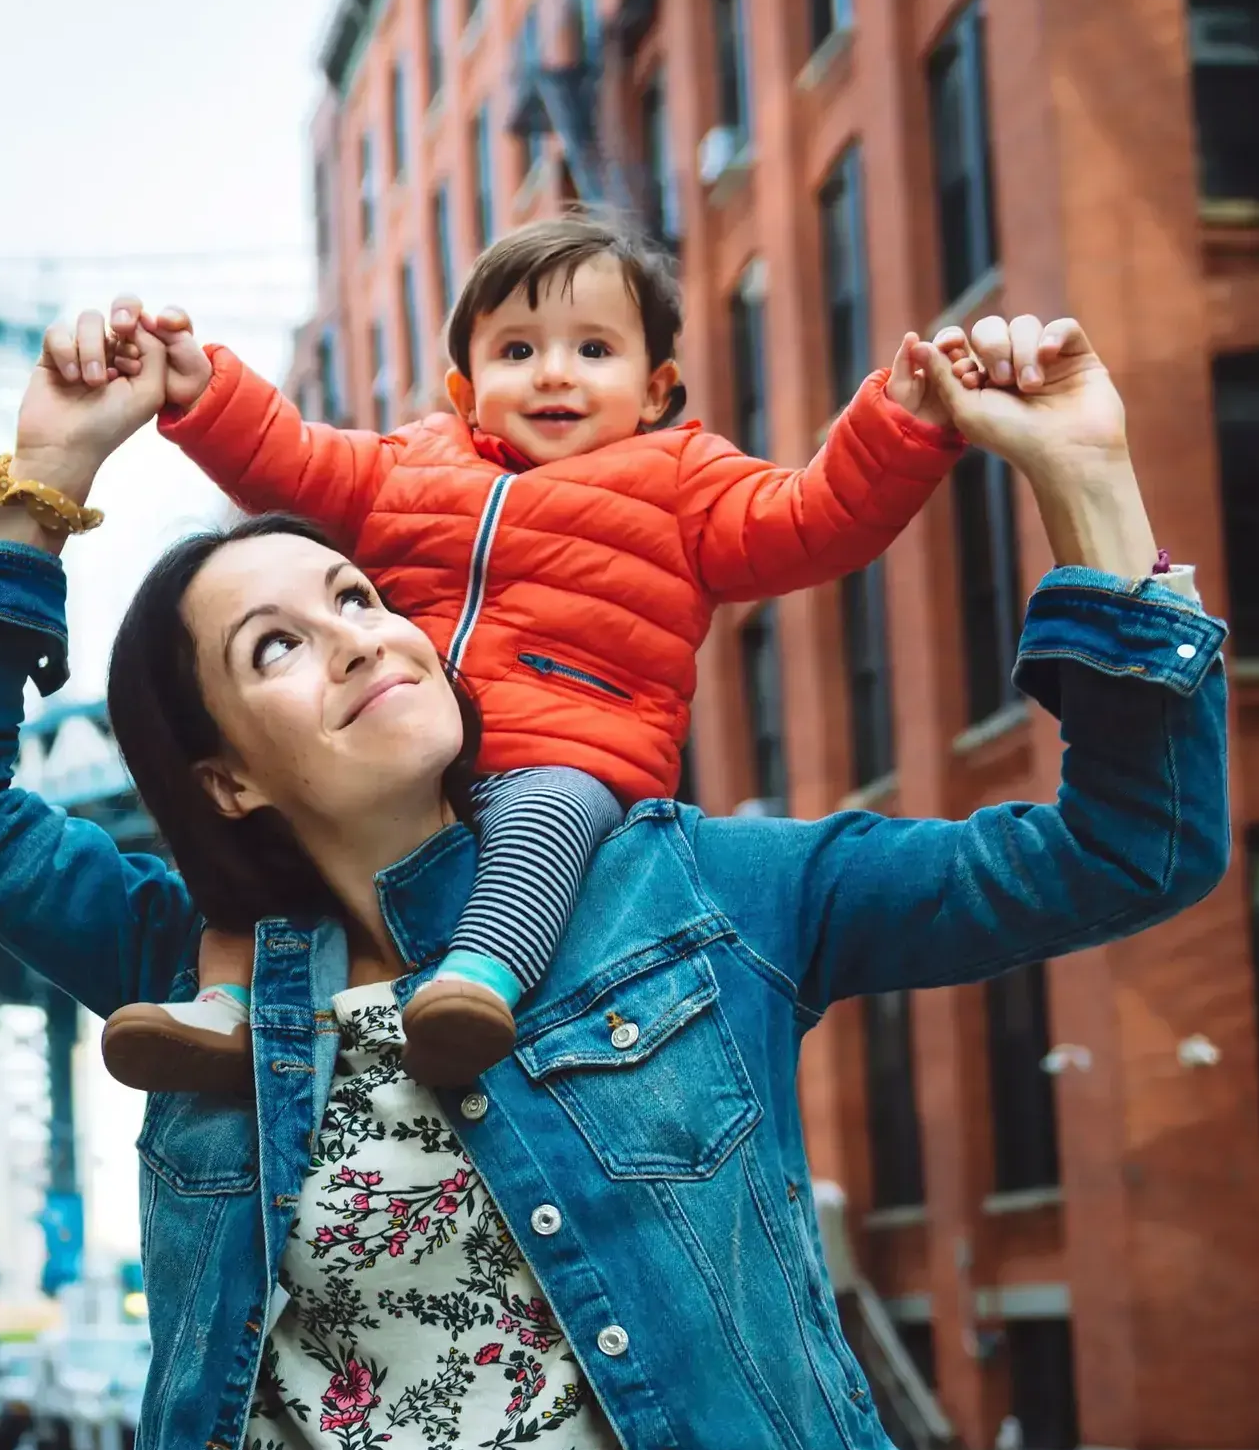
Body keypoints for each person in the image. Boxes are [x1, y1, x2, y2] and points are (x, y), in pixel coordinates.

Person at [0, 304, 1228, 1450]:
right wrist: (50, 474)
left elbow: (1128, 850)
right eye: (275, 647)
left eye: (359, 598)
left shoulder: (696, 896)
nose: (359, 639)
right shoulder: (190, 979)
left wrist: (1088, 479)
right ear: (227, 777)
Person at [94, 215, 966, 1092]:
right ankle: (223, 1011)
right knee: (276, 853)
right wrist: (205, 393)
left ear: (655, 387)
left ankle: (476, 984)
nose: (553, 372)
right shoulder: (411, 464)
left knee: (543, 819)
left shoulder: (684, 480)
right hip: (412, 753)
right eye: (516, 351)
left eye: (594, 349)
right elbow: (292, 461)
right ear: (465, 390)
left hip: (569, 753)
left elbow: (814, 520)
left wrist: (899, 427)